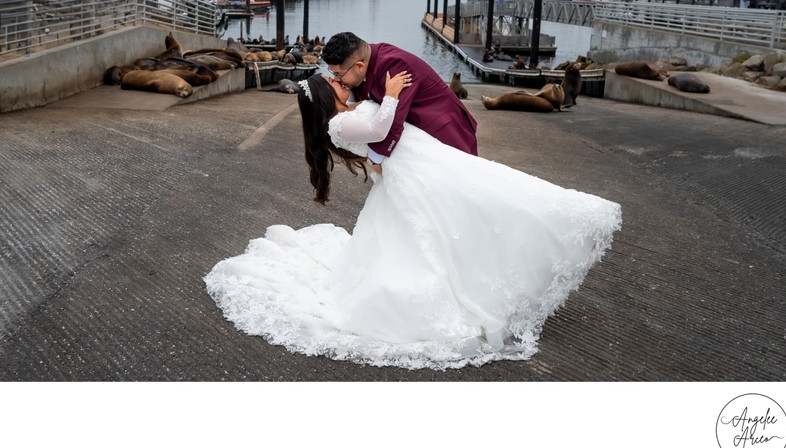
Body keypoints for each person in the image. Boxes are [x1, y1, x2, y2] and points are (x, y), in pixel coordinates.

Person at [204, 71, 622, 370]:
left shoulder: (349, 112)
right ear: (326, 94)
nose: (340, 79)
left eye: (338, 75)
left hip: (423, 165)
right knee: (456, 218)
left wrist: (381, 144)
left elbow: (378, 144)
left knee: (479, 201)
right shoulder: (340, 122)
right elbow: (382, 126)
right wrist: (388, 93)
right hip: (416, 171)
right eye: (334, 81)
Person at [321, 31, 478, 168]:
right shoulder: (369, 59)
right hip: (425, 131)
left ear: (359, 66)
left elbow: (395, 117)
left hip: (446, 129)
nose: (337, 79)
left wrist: (375, 160)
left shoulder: (396, 66)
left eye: (338, 75)